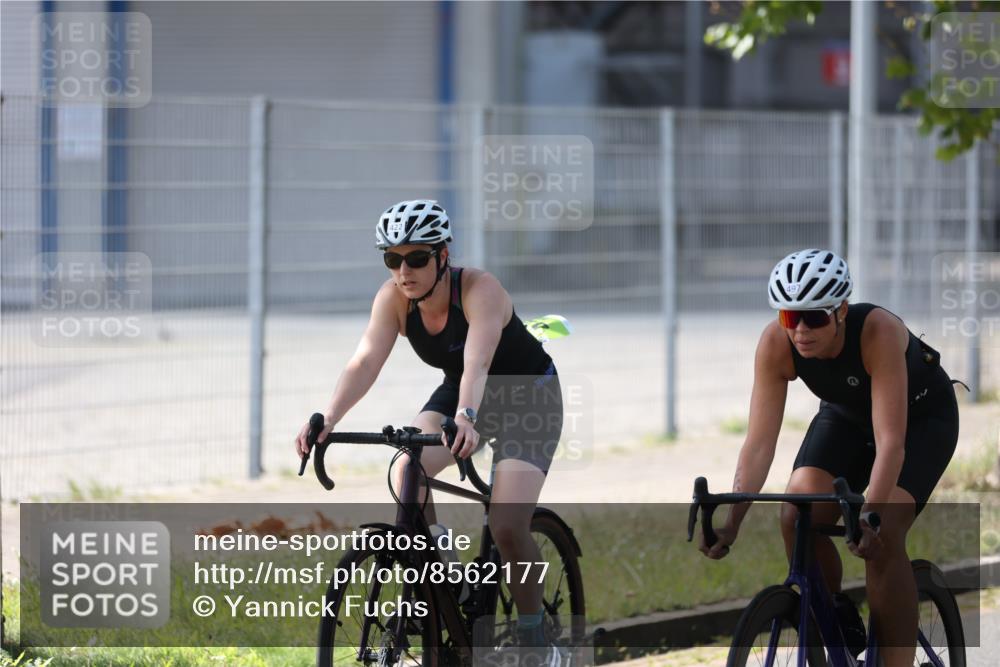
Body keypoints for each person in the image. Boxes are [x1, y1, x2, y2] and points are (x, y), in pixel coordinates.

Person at [295, 199, 564, 663]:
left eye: (417, 257)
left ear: (443, 256)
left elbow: (478, 362)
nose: (404, 270)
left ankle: (537, 641)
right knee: (408, 468)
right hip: (459, 391)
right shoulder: (394, 299)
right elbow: (365, 360)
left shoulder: (481, 290)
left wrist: (467, 416)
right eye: (392, 259)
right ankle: (445, 573)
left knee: (506, 525)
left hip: (525, 397)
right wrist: (329, 417)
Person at [699, 248, 959, 666]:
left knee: (884, 533)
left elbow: (891, 441)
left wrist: (869, 514)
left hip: (920, 421)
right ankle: (836, 615)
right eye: (789, 316)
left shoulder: (877, 331)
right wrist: (732, 522)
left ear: (840, 310)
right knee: (797, 513)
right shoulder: (775, 343)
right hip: (847, 418)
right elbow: (759, 444)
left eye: (814, 317)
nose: (800, 330)